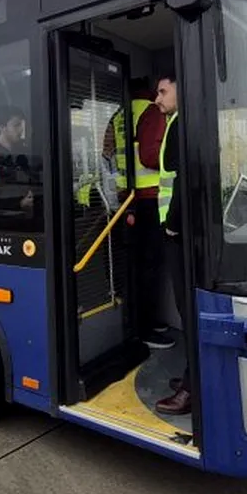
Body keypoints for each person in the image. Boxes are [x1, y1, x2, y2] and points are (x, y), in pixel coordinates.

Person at [112, 77, 172, 350]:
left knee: (136, 266)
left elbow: (107, 153)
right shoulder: (151, 112)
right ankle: (147, 326)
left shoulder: (118, 115)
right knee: (151, 266)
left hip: (126, 199)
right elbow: (150, 157)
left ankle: (141, 321)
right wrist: (174, 152)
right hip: (149, 200)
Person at [152, 71, 191, 416]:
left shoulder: (181, 125)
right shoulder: (177, 121)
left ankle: (192, 389)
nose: (157, 98)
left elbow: (180, 181)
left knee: (188, 309)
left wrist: (173, 227)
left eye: (163, 91)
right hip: (176, 230)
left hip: (178, 233)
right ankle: (191, 378)